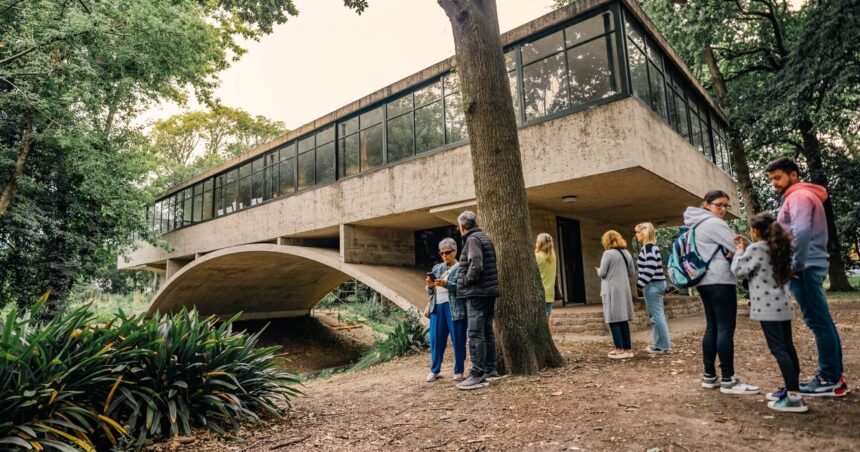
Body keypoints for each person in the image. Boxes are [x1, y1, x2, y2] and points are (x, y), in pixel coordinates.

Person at [766, 157, 848, 396]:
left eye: (777, 177)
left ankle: (829, 378)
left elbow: (801, 231)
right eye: (771, 179)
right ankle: (834, 377)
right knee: (822, 322)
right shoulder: (801, 196)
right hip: (810, 265)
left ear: (793, 175)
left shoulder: (798, 196)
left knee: (818, 323)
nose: (774, 183)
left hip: (805, 267)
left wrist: (794, 265)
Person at [684, 190, 759, 395]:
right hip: (721, 280)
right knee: (725, 327)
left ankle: (710, 375)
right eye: (719, 205)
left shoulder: (696, 224)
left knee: (713, 327)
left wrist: (733, 249)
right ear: (706, 204)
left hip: (704, 281)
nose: (723, 209)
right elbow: (740, 247)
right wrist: (741, 247)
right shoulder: (714, 223)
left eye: (726, 206)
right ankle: (729, 379)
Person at [732, 214, 807, 412]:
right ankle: (793, 390)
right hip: (783, 305)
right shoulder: (777, 248)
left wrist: (740, 251)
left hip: (767, 308)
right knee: (788, 348)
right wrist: (749, 246)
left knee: (778, 350)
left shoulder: (757, 249)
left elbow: (738, 270)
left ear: (756, 231)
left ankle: (794, 398)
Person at [455, 211, 501, 390]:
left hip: (477, 292)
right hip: (488, 292)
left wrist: (467, 280)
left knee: (475, 333)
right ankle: (490, 370)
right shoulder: (484, 237)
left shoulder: (472, 239)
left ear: (462, 226)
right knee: (487, 331)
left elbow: (476, 263)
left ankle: (477, 374)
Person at [424, 238, 467, 383]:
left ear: (455, 251)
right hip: (437, 307)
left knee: (458, 339)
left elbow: (463, 288)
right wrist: (430, 286)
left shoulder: (461, 267)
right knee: (436, 340)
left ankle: (459, 370)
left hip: (454, 307)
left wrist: (447, 284)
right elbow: (431, 292)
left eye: (448, 252)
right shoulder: (437, 268)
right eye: (442, 253)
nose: (445, 255)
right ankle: (434, 370)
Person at [597, 230, 635, 359]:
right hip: (624, 289)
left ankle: (618, 349)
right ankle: (628, 349)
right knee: (623, 319)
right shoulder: (626, 253)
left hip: (611, 289)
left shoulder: (607, 254)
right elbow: (631, 272)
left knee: (613, 319)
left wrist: (598, 270)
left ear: (607, 240)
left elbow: (602, 273)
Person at [635, 222, 671, 354]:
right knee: (657, 315)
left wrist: (640, 284)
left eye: (638, 232)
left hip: (653, 285)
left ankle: (663, 346)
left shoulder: (649, 248)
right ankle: (659, 344)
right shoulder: (650, 248)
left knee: (656, 316)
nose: (636, 235)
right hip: (656, 283)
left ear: (644, 233)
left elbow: (650, 269)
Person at [535, 233, 557, 332]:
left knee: (540, 322)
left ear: (540, 243)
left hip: (539, 292)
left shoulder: (537, 256)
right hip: (550, 293)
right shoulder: (553, 257)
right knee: (547, 319)